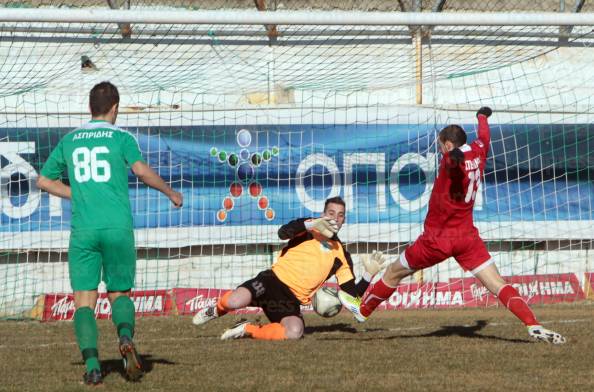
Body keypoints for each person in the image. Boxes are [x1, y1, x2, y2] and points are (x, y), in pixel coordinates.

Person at [339, 107, 566, 345]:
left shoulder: (450, 159)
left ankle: (363, 310)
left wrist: (454, 157)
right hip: (467, 237)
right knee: (498, 284)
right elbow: (485, 136)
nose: (439, 150)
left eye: (440, 146)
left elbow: (454, 162)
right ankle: (533, 324)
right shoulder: (479, 150)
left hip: (436, 240)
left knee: (393, 273)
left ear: (448, 145)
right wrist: (482, 117)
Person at [37, 81, 183, 385]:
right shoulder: (121, 138)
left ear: (90, 107)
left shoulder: (71, 140)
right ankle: (126, 337)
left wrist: (78, 194)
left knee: (84, 300)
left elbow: (44, 181)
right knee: (119, 293)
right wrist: (170, 192)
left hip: (84, 231)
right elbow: (141, 171)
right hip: (118, 229)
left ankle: (92, 365)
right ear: (114, 108)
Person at [192, 196, 386, 340]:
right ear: (323, 215)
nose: (336, 218)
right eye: (331, 213)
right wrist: (310, 224)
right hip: (271, 281)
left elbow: (351, 296)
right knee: (234, 301)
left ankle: (246, 329)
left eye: (340, 215)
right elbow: (282, 232)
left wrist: (368, 275)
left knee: (295, 332)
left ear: (344, 220)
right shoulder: (309, 230)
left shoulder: (341, 255)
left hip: (291, 300)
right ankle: (216, 310)